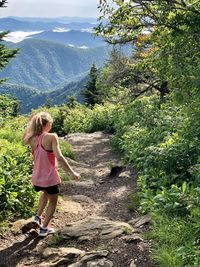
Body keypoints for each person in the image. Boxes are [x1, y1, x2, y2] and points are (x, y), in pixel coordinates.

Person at [23, 111, 80, 236]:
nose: (51, 126)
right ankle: (44, 229)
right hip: (50, 178)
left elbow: (27, 135)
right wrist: (72, 172)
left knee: (45, 193)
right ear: (46, 124)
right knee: (53, 201)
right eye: (50, 123)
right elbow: (59, 157)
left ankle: (37, 217)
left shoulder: (31, 138)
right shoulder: (51, 137)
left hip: (37, 178)